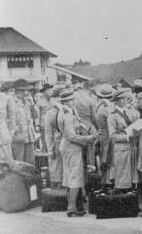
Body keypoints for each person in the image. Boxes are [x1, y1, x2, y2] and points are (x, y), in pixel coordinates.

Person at [58, 88, 96, 217]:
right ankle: (72, 207)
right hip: (71, 147)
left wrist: (84, 128)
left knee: (70, 176)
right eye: (71, 100)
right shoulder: (67, 115)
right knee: (75, 176)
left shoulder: (69, 112)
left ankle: (72, 205)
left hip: (69, 147)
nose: (73, 101)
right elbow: (71, 136)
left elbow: (77, 126)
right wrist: (88, 138)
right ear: (66, 101)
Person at [107, 89, 140, 192]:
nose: (125, 101)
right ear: (116, 101)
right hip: (121, 148)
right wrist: (127, 136)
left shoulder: (129, 112)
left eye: (125, 98)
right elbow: (112, 136)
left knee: (131, 175)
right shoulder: (112, 116)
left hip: (131, 147)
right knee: (122, 176)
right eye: (122, 99)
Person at [11, 79, 39, 165]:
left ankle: (29, 178)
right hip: (18, 136)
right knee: (19, 162)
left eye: (27, 90)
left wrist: (33, 104)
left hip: (29, 136)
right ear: (18, 90)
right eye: (24, 90)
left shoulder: (27, 101)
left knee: (30, 162)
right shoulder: (11, 101)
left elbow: (36, 115)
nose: (26, 92)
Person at [44, 85, 66, 189]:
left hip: (66, 142)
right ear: (58, 97)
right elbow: (48, 133)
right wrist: (50, 149)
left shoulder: (67, 109)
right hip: (57, 142)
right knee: (56, 170)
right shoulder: (51, 111)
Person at [0, 76, 15, 173]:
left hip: (3, 134)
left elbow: (12, 116)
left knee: (6, 162)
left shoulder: (6, 98)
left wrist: (11, 132)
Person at [94, 84, 115, 187]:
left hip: (102, 134)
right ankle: (107, 182)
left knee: (104, 158)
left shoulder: (99, 105)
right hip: (107, 135)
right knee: (107, 159)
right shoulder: (107, 107)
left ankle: (104, 182)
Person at [74, 81, 97, 168]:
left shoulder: (75, 98)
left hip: (77, 124)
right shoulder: (91, 100)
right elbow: (94, 118)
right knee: (92, 142)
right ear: (90, 89)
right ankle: (91, 163)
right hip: (88, 124)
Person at [38, 83, 53, 153]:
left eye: (50, 90)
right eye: (48, 90)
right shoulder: (40, 101)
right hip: (44, 125)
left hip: (53, 125)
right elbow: (37, 114)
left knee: (52, 144)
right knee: (45, 143)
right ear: (43, 92)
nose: (49, 92)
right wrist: (37, 125)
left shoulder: (52, 101)